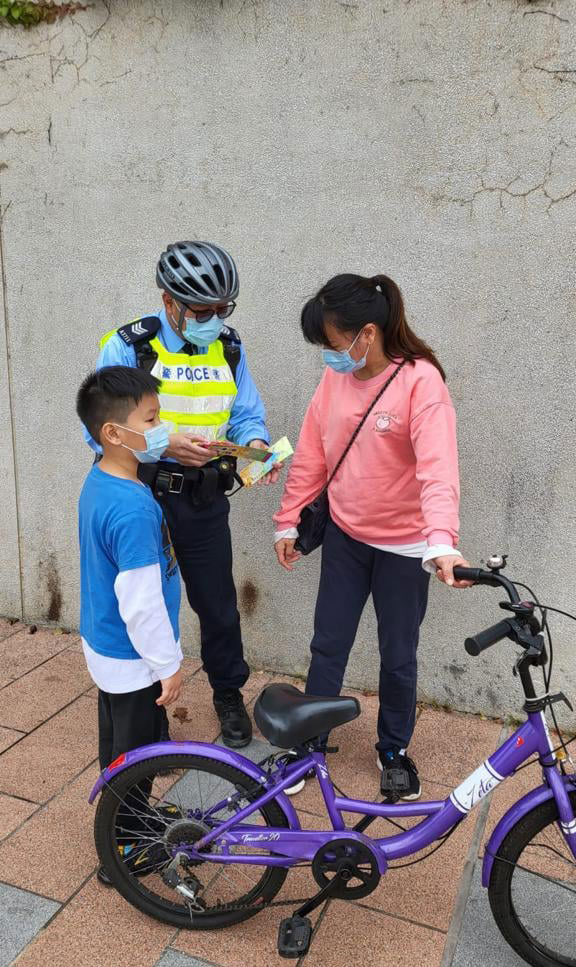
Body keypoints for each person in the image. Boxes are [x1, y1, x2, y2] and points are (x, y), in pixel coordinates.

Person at [273, 273, 473, 800]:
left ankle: (393, 750)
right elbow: (315, 452)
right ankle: (308, 744)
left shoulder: (421, 382)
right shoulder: (336, 379)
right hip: (344, 535)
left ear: (367, 333)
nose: (330, 357)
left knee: (398, 654)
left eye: (334, 345)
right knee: (328, 644)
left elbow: (438, 470)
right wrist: (288, 519)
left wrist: (442, 541)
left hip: (405, 548)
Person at [84, 241, 279, 748]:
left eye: (223, 309)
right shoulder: (128, 346)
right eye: (203, 310)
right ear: (169, 301)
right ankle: (150, 711)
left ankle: (228, 695)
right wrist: (162, 443)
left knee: (217, 605)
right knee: (152, 602)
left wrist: (256, 443)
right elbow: (99, 433)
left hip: (205, 499)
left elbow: (247, 412)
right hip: (146, 497)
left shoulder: (229, 346)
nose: (214, 318)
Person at [76, 366, 183, 884]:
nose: (162, 427)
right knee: (136, 755)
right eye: (152, 418)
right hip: (133, 655)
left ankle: (128, 821)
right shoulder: (132, 510)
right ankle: (123, 848)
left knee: (117, 742)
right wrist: (169, 666)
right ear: (112, 433)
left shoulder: (101, 480)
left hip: (105, 646)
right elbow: (141, 603)